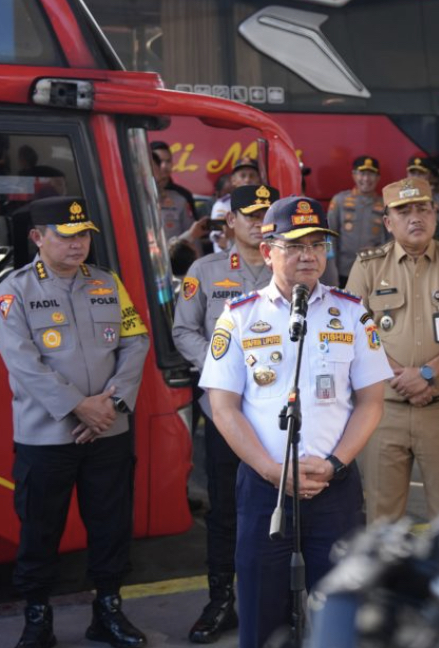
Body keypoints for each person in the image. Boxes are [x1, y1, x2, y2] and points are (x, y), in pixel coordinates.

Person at [200, 196, 390, 648]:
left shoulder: (352, 311)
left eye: (318, 245)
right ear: (268, 252)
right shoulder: (240, 316)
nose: (309, 255)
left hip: (334, 487)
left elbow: (371, 402)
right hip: (264, 488)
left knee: (342, 615)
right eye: (296, 245)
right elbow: (222, 406)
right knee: (262, 615)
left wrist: (336, 463)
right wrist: (271, 469)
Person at [1, 196, 151, 648]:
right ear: (37, 237)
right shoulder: (14, 290)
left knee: (111, 525)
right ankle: (37, 618)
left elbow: (136, 341)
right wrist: (77, 406)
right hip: (46, 436)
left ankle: (107, 611)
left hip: (109, 430)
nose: (77, 244)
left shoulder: (106, 282)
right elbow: (21, 361)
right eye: (66, 236)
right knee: (39, 529)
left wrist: (112, 403)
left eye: (83, 234)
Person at [346, 178, 439, 528]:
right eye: (404, 211)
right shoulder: (368, 267)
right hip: (383, 410)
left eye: (423, 209)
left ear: (435, 214)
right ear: (388, 221)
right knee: (382, 518)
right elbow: (354, 334)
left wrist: (426, 374)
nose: (415, 217)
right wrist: (402, 377)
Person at [172, 184, 279, 643]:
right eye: (249, 215)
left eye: (266, 214)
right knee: (225, 510)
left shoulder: (294, 266)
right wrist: (225, 373)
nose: (258, 223)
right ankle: (221, 601)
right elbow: (184, 331)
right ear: (230, 221)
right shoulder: (205, 270)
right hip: (226, 413)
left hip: (282, 414)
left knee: (283, 507)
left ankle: (277, 601)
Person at [327, 156, 388, 285]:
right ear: (354, 175)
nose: (366, 179)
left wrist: (379, 252)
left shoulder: (385, 205)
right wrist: (331, 269)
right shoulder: (339, 201)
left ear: (378, 178)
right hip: (343, 271)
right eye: (362, 173)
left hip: (374, 271)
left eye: (371, 174)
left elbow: (392, 240)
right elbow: (329, 237)